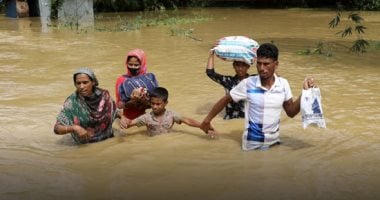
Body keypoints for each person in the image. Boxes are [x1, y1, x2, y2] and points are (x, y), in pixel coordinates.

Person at [200, 43, 316, 151]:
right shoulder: (247, 84)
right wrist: (206, 121)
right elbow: (225, 100)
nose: (261, 68)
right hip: (252, 145)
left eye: (266, 64)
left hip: (274, 144)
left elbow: (291, 112)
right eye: (259, 63)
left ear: (276, 64)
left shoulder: (283, 84)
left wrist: (305, 93)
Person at [54, 67, 124, 144]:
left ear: (93, 82)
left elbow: (114, 111)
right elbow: (57, 129)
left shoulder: (104, 97)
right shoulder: (72, 102)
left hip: (108, 142)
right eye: (78, 83)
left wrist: (123, 117)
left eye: (85, 82)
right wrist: (74, 128)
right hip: (85, 146)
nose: (81, 86)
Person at [120, 87, 215, 137]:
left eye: (158, 104)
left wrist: (202, 126)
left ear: (166, 103)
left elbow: (188, 121)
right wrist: (123, 120)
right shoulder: (146, 118)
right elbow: (131, 124)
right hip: (152, 145)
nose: (154, 106)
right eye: (152, 103)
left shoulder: (171, 115)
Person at [206, 49, 252, 120]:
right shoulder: (228, 81)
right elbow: (210, 73)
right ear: (233, 66)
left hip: (248, 120)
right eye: (237, 65)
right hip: (230, 118)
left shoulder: (254, 80)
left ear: (248, 66)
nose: (240, 69)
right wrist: (211, 53)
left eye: (243, 66)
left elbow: (272, 77)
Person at [115, 49, 158, 120]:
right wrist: (132, 101)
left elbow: (156, 103)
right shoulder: (121, 80)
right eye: (130, 64)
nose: (133, 67)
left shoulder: (149, 80)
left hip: (144, 119)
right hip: (127, 119)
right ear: (126, 64)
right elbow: (119, 105)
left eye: (136, 65)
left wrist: (145, 100)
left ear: (142, 64)